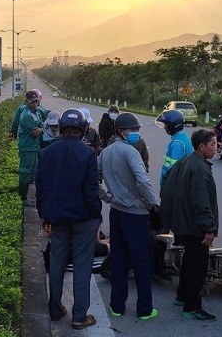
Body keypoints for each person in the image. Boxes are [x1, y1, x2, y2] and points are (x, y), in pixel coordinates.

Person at [36, 108, 102, 330]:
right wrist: (96, 216)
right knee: (82, 265)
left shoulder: (46, 153)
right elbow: (91, 192)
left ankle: (55, 310)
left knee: (57, 262)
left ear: (61, 128)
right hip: (83, 218)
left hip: (57, 217)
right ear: (83, 129)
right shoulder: (87, 154)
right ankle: (79, 316)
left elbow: (41, 188)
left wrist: (43, 214)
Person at [99, 112, 159, 321]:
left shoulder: (105, 153)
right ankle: (144, 309)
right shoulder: (131, 152)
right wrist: (153, 203)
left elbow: (92, 178)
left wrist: (107, 198)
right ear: (122, 132)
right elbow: (142, 181)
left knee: (119, 259)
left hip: (116, 212)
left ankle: (117, 306)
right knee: (142, 261)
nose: (136, 133)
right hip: (136, 214)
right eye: (134, 130)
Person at [160, 128, 219, 321]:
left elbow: (167, 179)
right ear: (202, 147)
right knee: (198, 267)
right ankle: (192, 307)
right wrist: (209, 229)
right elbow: (201, 203)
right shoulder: (200, 167)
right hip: (195, 227)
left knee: (188, 261)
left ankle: (182, 295)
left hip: (183, 223)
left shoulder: (188, 160)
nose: (216, 148)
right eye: (212, 144)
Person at [17, 90, 46, 207]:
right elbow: (35, 132)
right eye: (32, 102)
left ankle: (25, 196)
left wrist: (41, 129)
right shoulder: (25, 115)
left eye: (36, 101)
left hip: (33, 147)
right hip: (27, 147)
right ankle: (22, 197)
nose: (35, 104)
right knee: (25, 172)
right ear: (27, 102)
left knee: (31, 173)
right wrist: (40, 129)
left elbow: (42, 125)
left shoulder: (35, 112)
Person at [157, 109, 193, 187]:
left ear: (172, 126)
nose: (164, 128)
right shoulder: (183, 137)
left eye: (166, 125)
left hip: (173, 187)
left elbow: (173, 170)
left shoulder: (177, 143)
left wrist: (166, 188)